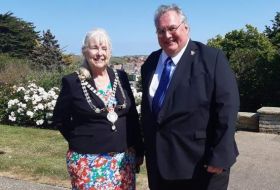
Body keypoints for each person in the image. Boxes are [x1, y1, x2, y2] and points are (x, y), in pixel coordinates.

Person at [140, 4, 239, 190]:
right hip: (159, 166)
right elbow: (148, 113)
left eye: (171, 28)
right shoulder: (150, 63)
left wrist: (220, 155)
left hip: (200, 165)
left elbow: (227, 108)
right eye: (161, 31)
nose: (167, 35)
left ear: (186, 27)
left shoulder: (211, 58)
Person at [52, 28, 143, 190]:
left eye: (104, 48)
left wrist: (139, 150)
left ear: (109, 52)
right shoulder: (73, 82)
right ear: (85, 51)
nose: (99, 53)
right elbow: (59, 119)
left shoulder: (120, 77)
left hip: (123, 161)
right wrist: (80, 139)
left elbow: (132, 116)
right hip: (88, 162)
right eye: (94, 47)